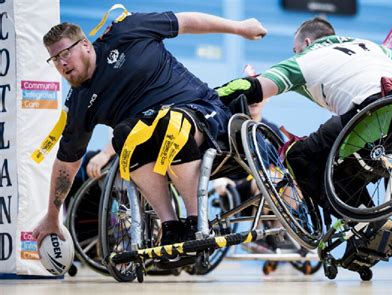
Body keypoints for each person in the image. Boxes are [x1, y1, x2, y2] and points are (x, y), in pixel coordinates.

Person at [32, 10, 267, 248]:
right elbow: (66, 163)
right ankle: (171, 227)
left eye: (65, 54)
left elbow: (185, 22)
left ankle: (197, 221)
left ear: (85, 45)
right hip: (155, 146)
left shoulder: (126, 31)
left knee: (170, 123)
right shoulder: (80, 103)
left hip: (201, 112)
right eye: (54, 59)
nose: (61, 64)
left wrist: (240, 27)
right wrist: (52, 216)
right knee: (124, 134)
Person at [217, 16, 392, 214]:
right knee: (342, 161)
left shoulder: (304, 60)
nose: (295, 53)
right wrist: (382, 57)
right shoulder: (368, 46)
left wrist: (211, 95)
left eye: (295, 49)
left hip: (377, 112)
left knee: (298, 157)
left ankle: (363, 225)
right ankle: (371, 221)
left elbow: (251, 88)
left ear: (306, 43)